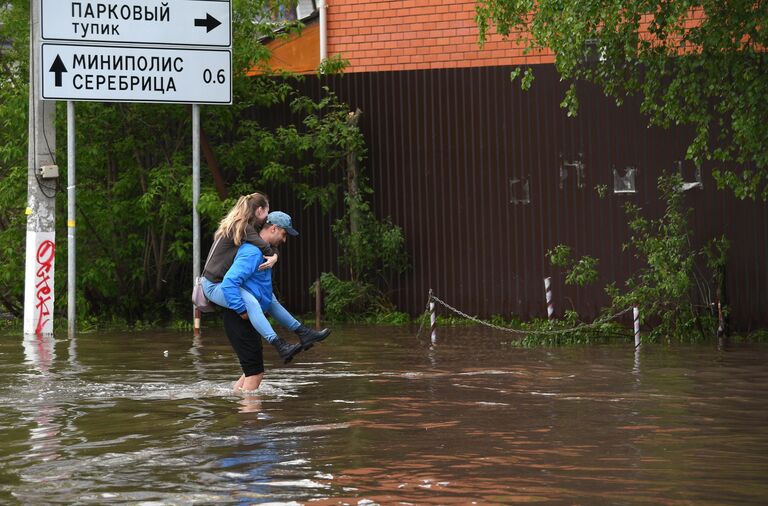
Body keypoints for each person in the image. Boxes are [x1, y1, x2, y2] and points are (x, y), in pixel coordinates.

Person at [207, 210, 330, 389]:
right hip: (239, 318)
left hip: (248, 319)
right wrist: (242, 311)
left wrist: (298, 329)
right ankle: (249, 416)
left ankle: (240, 404)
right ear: (273, 228)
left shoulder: (266, 254)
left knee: (253, 372)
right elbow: (229, 284)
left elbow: (269, 299)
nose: (285, 239)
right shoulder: (252, 252)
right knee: (254, 373)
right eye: (284, 233)